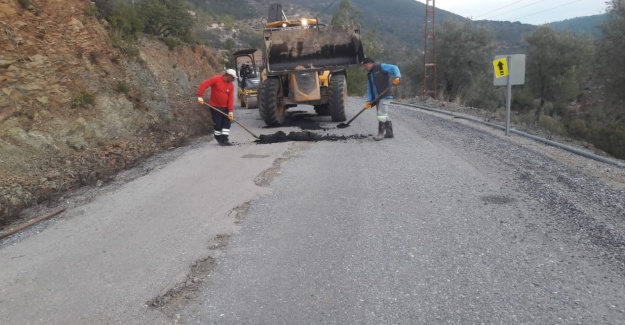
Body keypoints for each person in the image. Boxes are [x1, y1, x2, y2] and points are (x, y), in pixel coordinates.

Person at [362, 57, 401, 141]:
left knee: (381, 114)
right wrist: (368, 101)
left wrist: (397, 77)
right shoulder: (370, 74)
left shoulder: (381, 67)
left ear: (370, 63)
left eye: (365, 65)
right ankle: (389, 133)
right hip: (377, 98)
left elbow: (394, 67)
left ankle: (380, 134)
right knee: (383, 114)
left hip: (385, 95)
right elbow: (369, 88)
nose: (365, 68)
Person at [197, 69, 236, 146]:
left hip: (225, 108)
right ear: (228, 75)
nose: (233, 80)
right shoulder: (216, 79)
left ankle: (224, 139)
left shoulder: (231, 85)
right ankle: (218, 137)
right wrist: (200, 96)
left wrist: (231, 111)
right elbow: (203, 85)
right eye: (232, 78)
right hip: (215, 107)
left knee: (226, 124)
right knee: (218, 125)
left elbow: (231, 98)